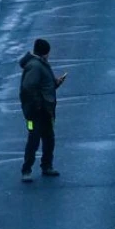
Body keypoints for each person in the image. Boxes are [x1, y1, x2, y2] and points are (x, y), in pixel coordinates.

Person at [20, 38, 66, 182]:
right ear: (45, 52)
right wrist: (38, 104)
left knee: (48, 138)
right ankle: (27, 170)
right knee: (33, 140)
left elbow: (44, 86)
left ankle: (46, 166)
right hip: (36, 112)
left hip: (45, 111)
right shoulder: (36, 66)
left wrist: (55, 83)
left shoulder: (40, 64)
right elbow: (29, 87)